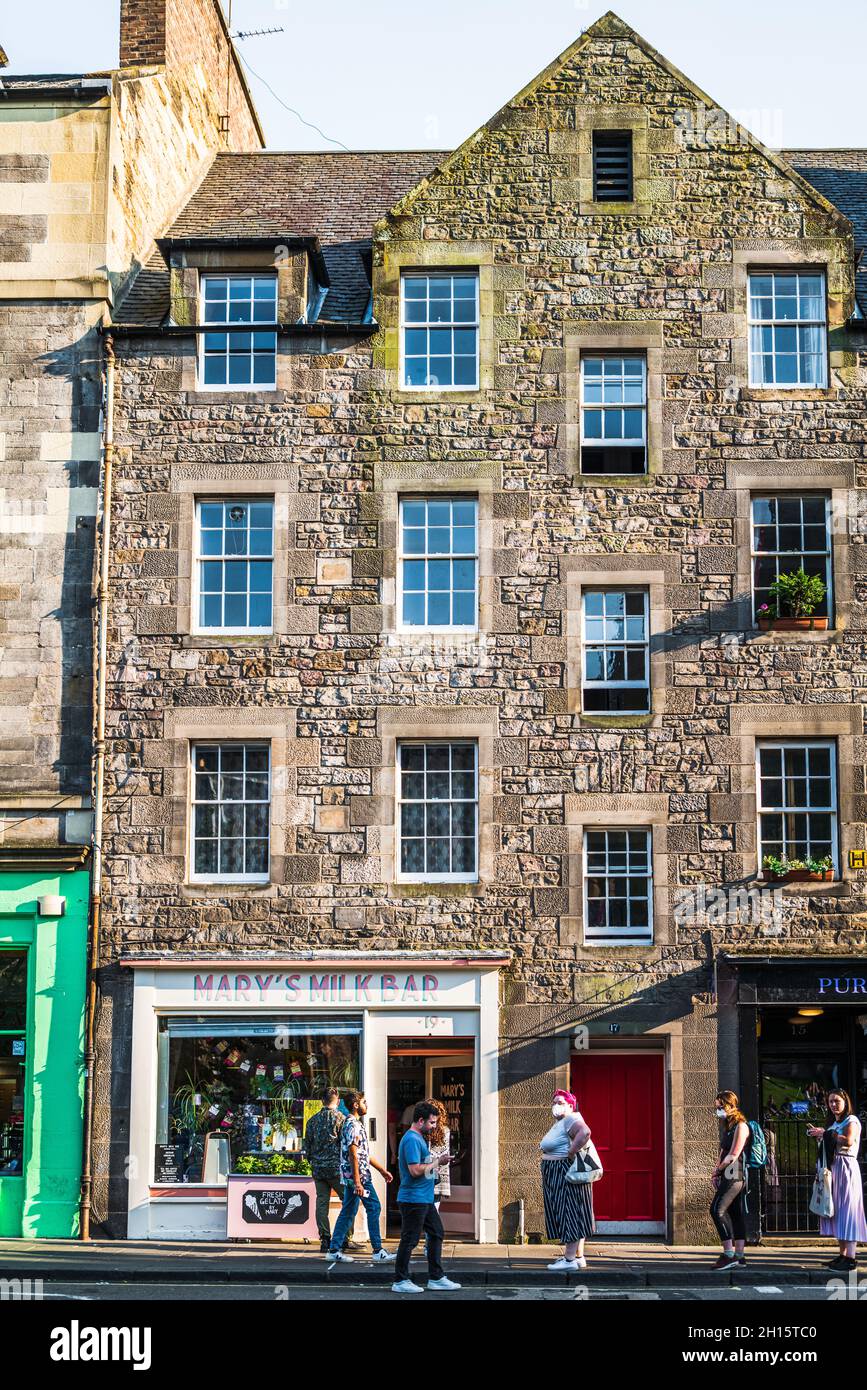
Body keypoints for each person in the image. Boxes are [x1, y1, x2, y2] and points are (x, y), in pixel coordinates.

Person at [392, 1100, 461, 1294]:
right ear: (420, 1120)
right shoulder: (412, 1139)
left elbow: (423, 1167)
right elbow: (414, 1170)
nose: (434, 1126)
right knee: (410, 1239)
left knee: (436, 1232)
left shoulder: (419, 1138)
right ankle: (400, 1280)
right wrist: (437, 1161)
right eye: (432, 1123)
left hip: (424, 1198)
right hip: (413, 1199)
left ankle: (436, 1278)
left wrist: (437, 1165)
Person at [326, 1090, 395, 1264]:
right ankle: (378, 1250)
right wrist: (358, 1182)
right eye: (364, 1102)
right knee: (374, 1207)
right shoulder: (353, 1125)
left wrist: (381, 1170)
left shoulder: (354, 1124)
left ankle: (334, 1249)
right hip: (360, 1178)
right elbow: (353, 1155)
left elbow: (364, 1153)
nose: (367, 1105)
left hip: (354, 1177)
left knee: (348, 1211)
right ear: (356, 1105)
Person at [807, 1087, 867, 1271]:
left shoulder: (852, 1120)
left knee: (848, 1211)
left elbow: (848, 1141)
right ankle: (842, 1255)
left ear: (845, 1102)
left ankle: (850, 1258)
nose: (833, 1105)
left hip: (846, 1168)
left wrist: (825, 1133)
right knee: (838, 1212)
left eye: (837, 1101)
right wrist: (820, 1136)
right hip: (834, 1169)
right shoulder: (833, 1124)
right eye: (830, 1102)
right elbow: (830, 1142)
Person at [539, 1088, 595, 1271]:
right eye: (554, 1102)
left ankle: (569, 1260)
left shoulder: (571, 1118)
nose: (556, 1105)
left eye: (560, 1102)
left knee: (569, 1212)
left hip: (564, 1172)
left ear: (570, 1106)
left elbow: (585, 1132)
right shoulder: (562, 1122)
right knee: (575, 1212)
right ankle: (578, 1257)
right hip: (558, 1173)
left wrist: (571, 1152)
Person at [304, 1087, 358, 1254]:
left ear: (322, 1100)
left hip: (318, 1169)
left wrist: (314, 1161)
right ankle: (345, 1238)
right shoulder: (341, 1119)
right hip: (336, 1169)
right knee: (348, 1201)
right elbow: (347, 1145)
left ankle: (325, 1239)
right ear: (338, 1100)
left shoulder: (312, 1120)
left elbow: (307, 1148)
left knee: (321, 1203)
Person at [710, 1090, 750, 1272]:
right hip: (727, 1174)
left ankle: (729, 1254)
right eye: (717, 1107)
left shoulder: (741, 1126)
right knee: (735, 1213)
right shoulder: (728, 1126)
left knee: (716, 1210)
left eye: (721, 1107)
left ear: (731, 1105)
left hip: (735, 1174)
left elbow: (733, 1155)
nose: (718, 1110)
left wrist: (719, 1169)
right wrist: (716, 1171)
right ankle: (740, 1257)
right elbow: (723, 1152)